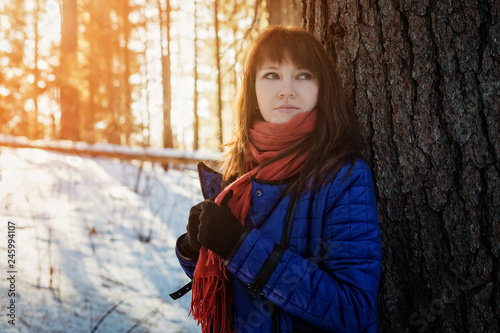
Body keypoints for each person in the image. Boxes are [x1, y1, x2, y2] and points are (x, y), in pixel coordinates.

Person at [173, 26, 382, 333]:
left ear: (322, 88)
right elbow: (234, 291)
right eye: (272, 75)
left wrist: (239, 246)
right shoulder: (238, 175)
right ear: (253, 90)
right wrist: (195, 249)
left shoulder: (344, 177)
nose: (286, 90)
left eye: (303, 75)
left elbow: (353, 309)